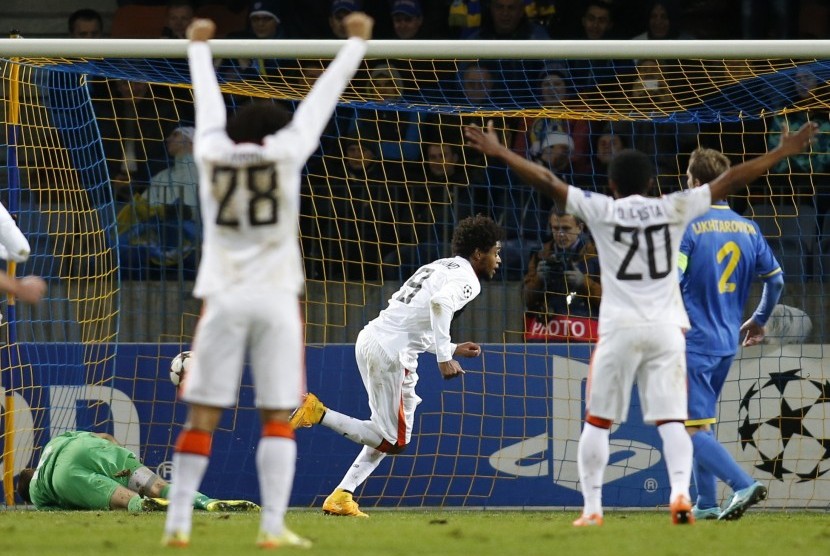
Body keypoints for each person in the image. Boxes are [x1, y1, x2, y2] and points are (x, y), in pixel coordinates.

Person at [463, 119, 818, 526]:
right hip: (668, 330)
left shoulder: (603, 209)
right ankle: (683, 497)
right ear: (653, 183)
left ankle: (593, 509)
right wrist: (781, 152)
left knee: (597, 422)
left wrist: (502, 151)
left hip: (619, 329)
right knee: (674, 423)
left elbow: (546, 179)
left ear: (611, 185)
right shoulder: (675, 208)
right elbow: (732, 178)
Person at [162, 13, 372, 548]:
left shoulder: (209, 152)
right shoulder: (286, 153)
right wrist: (354, 44)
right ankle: (274, 526)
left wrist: (198, 48)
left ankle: (178, 522)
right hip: (277, 301)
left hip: (224, 299)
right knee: (278, 416)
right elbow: (321, 102)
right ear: (273, 135)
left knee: (203, 414)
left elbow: (207, 106)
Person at [290, 214, 503, 517]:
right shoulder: (468, 279)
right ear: (478, 253)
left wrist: (452, 347)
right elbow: (440, 305)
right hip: (392, 354)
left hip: (373, 339)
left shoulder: (438, 265)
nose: (498, 259)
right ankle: (318, 412)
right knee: (394, 440)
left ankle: (342, 495)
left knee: (388, 432)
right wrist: (444, 357)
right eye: (495, 252)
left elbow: (415, 320)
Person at [680, 147, 785, 521]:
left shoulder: (688, 225)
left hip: (692, 342)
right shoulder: (748, 227)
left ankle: (742, 484)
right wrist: (758, 319)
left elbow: (672, 281)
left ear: (693, 182)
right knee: (700, 424)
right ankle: (706, 504)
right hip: (727, 343)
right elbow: (776, 281)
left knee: (686, 428)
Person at [15, 431, 257, 512]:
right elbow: (106, 437)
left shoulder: (37, 494)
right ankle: (207, 502)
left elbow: (71, 504)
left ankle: (146, 505)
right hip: (88, 448)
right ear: (33, 466)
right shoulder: (52, 443)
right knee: (159, 486)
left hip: (65, 478)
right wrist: (124, 465)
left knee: (128, 500)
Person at [522, 209, 601, 341]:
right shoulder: (540, 256)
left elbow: (610, 301)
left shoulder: (597, 257)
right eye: (555, 228)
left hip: (586, 333)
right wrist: (539, 280)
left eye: (566, 228)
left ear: (579, 228)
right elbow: (526, 300)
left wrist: (583, 283)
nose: (560, 234)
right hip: (547, 332)